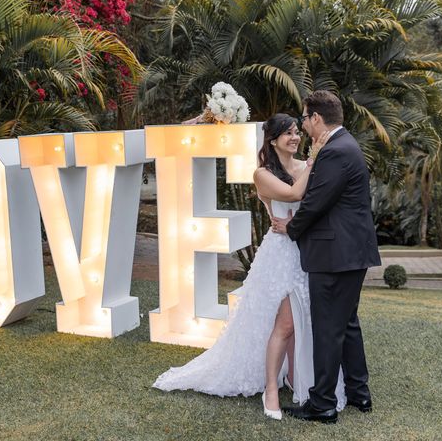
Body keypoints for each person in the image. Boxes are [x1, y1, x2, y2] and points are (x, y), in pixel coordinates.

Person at [153, 113, 341, 421]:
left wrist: (310, 170)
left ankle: (296, 380)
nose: (295, 137)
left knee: (302, 319)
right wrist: (313, 162)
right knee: (285, 325)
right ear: (273, 139)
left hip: (307, 252)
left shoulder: (305, 166)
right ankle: (270, 389)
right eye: (288, 133)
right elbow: (294, 194)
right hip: (281, 255)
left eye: (297, 132)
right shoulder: (263, 174)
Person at [271, 91, 381, 424]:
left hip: (334, 255)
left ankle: (322, 404)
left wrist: (291, 228)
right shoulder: (346, 145)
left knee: (328, 328)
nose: (302, 126)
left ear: (316, 118)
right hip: (350, 252)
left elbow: (317, 202)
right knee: (346, 324)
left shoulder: (335, 151)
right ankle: (359, 394)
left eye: (304, 119)